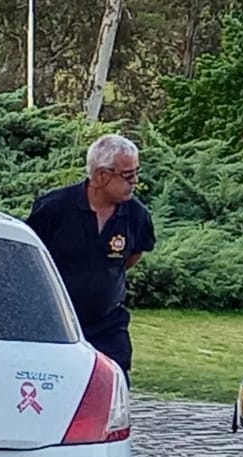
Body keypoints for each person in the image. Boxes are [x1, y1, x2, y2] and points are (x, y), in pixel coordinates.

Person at [26, 133, 156, 375]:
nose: (135, 181)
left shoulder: (137, 216)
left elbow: (132, 257)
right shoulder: (54, 208)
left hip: (108, 324)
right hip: (54, 321)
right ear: (100, 176)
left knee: (115, 383)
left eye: (137, 172)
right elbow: (30, 258)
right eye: (128, 175)